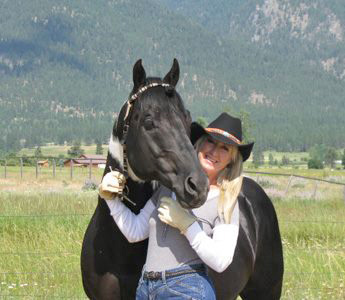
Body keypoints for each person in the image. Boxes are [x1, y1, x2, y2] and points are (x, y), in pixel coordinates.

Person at [99, 112, 254, 299]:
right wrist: (110, 199)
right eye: (211, 141)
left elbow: (221, 261)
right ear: (199, 144)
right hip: (146, 288)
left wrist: (187, 225)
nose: (214, 151)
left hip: (187, 290)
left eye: (225, 148)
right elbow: (135, 231)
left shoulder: (225, 203)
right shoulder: (166, 189)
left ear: (231, 160)